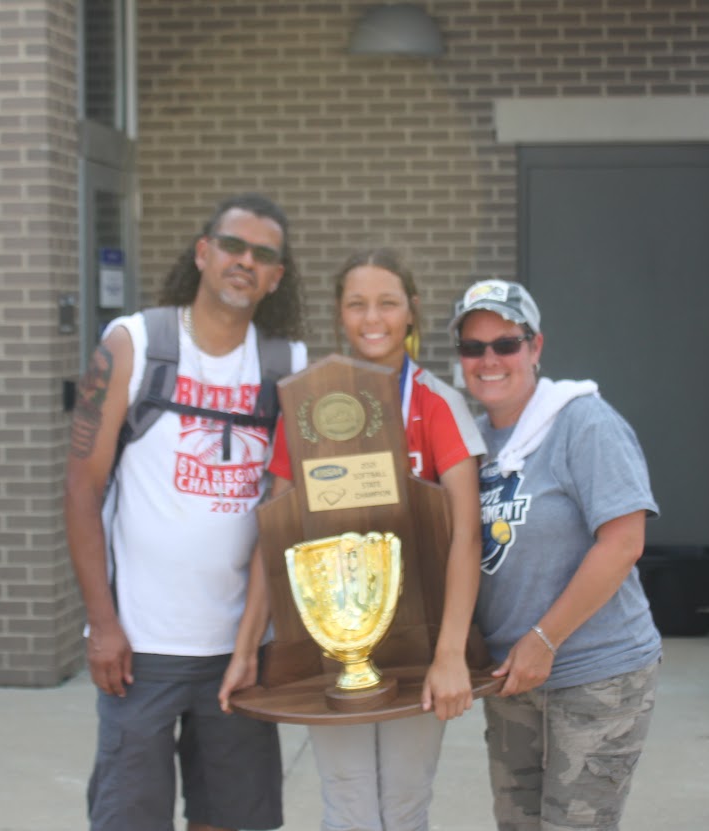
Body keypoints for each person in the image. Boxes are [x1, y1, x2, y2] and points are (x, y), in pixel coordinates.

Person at [219, 248, 485, 831]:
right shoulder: (309, 407)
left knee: (405, 804)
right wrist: (246, 651)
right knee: (347, 803)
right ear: (340, 314)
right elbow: (278, 534)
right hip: (327, 646)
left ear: (411, 312)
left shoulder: (438, 403)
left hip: (422, 644)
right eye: (357, 304)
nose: (373, 318)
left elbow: (466, 536)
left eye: (388, 303)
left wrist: (450, 655)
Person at [65, 193, 307, 831]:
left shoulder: (289, 367)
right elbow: (81, 490)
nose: (244, 261)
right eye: (232, 245)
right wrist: (101, 625)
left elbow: (290, 515)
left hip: (240, 651)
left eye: (263, 255)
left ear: (276, 277)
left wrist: (258, 642)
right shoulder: (135, 345)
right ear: (203, 253)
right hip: (140, 648)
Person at [450, 278, 662, 831]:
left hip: (594, 670)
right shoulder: (472, 442)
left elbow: (623, 543)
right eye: (473, 348)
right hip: (511, 679)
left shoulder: (582, 422)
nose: (488, 359)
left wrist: (544, 640)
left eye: (506, 344)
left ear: (535, 347)